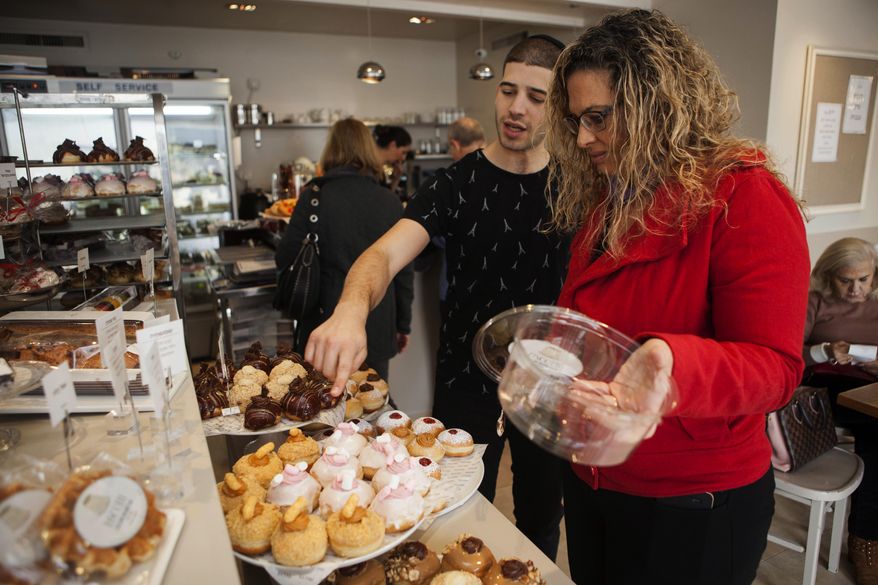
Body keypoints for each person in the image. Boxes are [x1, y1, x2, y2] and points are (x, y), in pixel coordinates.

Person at [543, 9, 809, 584]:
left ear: (656, 105)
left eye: (598, 118)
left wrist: (670, 362)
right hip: (597, 480)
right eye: (576, 121)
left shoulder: (745, 195)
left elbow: (777, 366)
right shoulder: (611, 203)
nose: (583, 137)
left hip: (692, 503)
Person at [305, 36, 570, 560]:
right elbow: (381, 257)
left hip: (549, 387)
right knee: (458, 515)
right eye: (507, 91)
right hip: (465, 382)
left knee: (541, 520)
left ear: (559, 106)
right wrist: (351, 310)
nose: (516, 108)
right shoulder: (456, 184)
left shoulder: (578, 188)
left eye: (536, 98)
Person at [275, 118, 413, 381]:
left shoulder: (313, 196)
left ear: (332, 149)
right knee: (372, 405)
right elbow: (404, 274)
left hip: (324, 325)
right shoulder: (390, 201)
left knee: (322, 410)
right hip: (376, 325)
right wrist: (402, 325)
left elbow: (285, 256)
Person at [801, 237, 878, 585]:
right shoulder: (813, 301)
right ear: (828, 276)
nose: (855, 288)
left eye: (863, 279)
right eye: (845, 280)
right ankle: (865, 539)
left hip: (871, 387)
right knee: (877, 436)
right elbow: (788, 354)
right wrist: (824, 350)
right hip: (826, 389)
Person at [373, 124, 412, 198]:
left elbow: (385, 200)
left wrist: (396, 179)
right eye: (403, 152)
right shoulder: (371, 170)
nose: (403, 158)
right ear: (392, 145)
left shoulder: (378, 169)